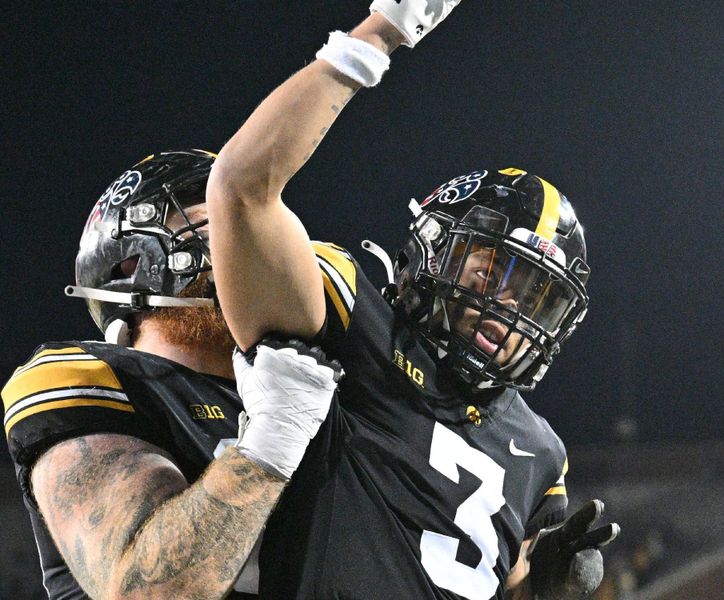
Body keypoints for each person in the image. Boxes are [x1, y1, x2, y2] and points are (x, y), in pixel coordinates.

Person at [207, 1, 618, 599]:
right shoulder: (355, 321)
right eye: (488, 273)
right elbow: (241, 190)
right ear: (434, 251)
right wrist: (378, 36)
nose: (508, 310)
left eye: (534, 298)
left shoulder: (540, 451)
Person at [1, 149, 340, 599]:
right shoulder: (96, 377)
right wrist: (273, 436)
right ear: (130, 265)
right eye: (216, 224)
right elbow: (150, 593)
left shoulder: (309, 387)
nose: (249, 243)